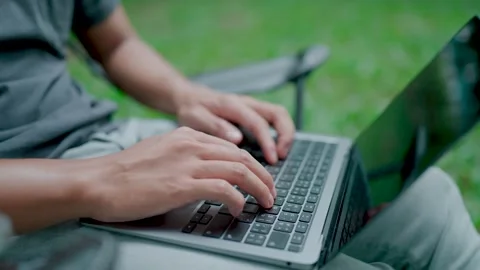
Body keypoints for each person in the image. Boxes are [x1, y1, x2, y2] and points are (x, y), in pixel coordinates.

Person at [0, 1, 479, 269]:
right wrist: (96, 181)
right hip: (29, 207)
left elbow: (116, 40)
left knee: (426, 201)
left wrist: (186, 96)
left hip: (112, 143)